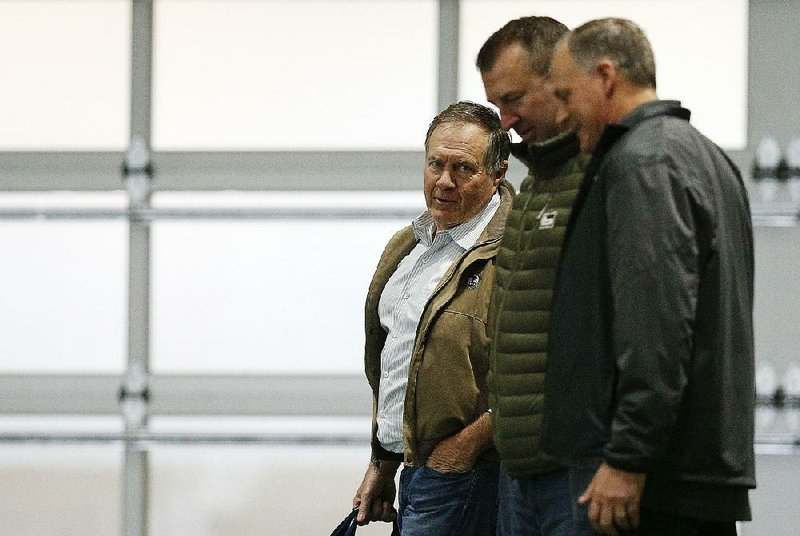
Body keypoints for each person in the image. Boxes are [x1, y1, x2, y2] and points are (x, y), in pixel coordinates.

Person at [546, 18, 755, 536]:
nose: (562, 113)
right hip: (686, 468)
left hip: (653, 481)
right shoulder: (704, 156)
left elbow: (656, 323)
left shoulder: (643, 162)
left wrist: (627, 457)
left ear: (606, 76)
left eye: (567, 94)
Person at [352, 101, 514, 535]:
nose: (444, 181)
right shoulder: (408, 245)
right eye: (435, 164)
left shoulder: (517, 250)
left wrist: (463, 450)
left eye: (463, 169)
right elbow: (397, 358)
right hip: (415, 469)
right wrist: (383, 461)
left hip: (472, 474)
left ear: (498, 172)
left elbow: (543, 368)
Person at [476, 16, 592, 535]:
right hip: (519, 468)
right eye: (497, 104)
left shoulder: (604, 176)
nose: (505, 121)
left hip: (578, 469)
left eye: (515, 97)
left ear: (561, 77)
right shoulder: (537, 182)